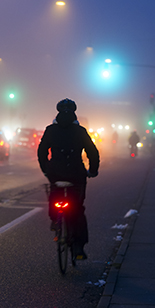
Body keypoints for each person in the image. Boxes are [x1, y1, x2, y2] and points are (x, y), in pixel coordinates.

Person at [37, 98, 100, 260]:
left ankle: (55, 220)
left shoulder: (50, 130)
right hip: (76, 174)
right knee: (78, 209)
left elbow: (41, 151)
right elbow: (92, 152)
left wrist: (46, 170)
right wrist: (92, 171)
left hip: (55, 173)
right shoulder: (80, 131)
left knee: (54, 193)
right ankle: (78, 247)